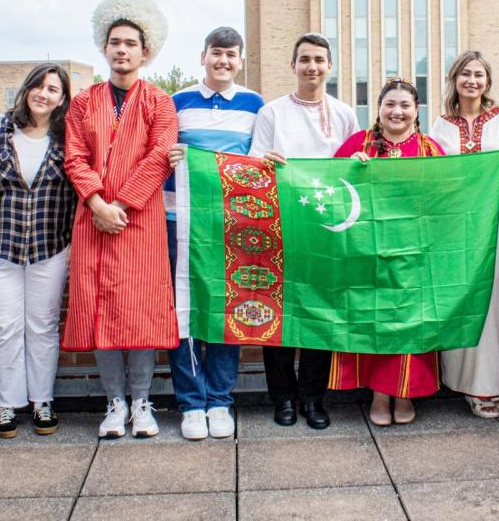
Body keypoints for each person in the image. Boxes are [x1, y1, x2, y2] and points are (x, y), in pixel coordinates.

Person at [62, 0, 179, 439]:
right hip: (93, 219)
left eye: (131, 43)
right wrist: (96, 203)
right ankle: (114, 403)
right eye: (115, 42)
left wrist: (123, 205)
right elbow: (74, 157)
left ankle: (142, 401)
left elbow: (160, 157)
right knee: (100, 309)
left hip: (140, 219)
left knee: (141, 309)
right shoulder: (83, 102)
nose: (122, 49)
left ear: (145, 51)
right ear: (104, 47)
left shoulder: (159, 102)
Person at [248, 32, 359, 429]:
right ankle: (283, 398)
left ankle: (313, 398)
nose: (312, 66)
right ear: (292, 66)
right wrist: (266, 159)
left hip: (326, 229)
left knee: (319, 314)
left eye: (319, 60)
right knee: (279, 312)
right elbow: (251, 161)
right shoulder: (272, 113)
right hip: (281, 224)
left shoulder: (345, 113)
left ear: (329, 67)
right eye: (305, 59)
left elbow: (351, 167)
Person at [165, 26, 265, 440]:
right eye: (216, 53)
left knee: (228, 308)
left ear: (241, 61)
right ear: (202, 56)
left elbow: (257, 162)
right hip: (179, 222)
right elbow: (158, 153)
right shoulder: (177, 103)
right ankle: (191, 402)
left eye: (231, 54)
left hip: (232, 224)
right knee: (182, 309)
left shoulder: (255, 105)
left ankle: (220, 399)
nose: (223, 61)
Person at [330, 77, 446, 425]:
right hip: (368, 252)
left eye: (405, 105)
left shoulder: (430, 149)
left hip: (414, 253)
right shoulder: (358, 143)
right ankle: (379, 395)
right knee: (376, 321)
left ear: (416, 110)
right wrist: (351, 167)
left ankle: (405, 393)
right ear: (378, 109)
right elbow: (332, 188)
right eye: (390, 104)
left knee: (409, 324)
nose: (397, 111)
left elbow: (446, 200)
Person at [0, 63, 76, 438]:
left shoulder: (67, 138)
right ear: (26, 90)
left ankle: (42, 401)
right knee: (3, 327)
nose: (44, 94)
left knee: (43, 326)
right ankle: (6, 405)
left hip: (50, 246)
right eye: (38, 86)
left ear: (62, 99)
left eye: (53, 89)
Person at [429, 51, 499, 418]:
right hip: (456, 228)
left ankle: (498, 382)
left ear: (487, 81)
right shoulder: (441, 124)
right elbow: (435, 176)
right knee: (464, 297)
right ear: (454, 79)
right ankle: (468, 383)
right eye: (465, 74)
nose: (472, 80)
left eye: (479, 74)